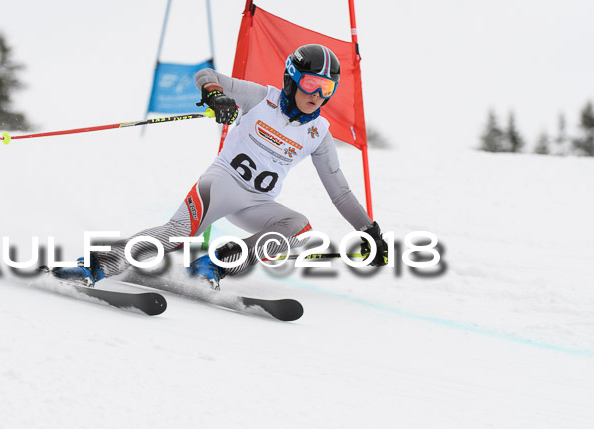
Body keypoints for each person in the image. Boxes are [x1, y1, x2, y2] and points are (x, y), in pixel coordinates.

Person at [53, 44, 388, 289]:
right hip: (221, 185)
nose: (317, 95)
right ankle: (94, 266)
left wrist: (369, 231)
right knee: (178, 234)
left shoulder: (319, 134)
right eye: (311, 84)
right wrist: (216, 96)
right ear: (291, 79)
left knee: (297, 226)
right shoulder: (261, 97)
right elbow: (206, 75)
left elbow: (340, 193)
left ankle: (211, 266)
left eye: (326, 88)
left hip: (257, 204)